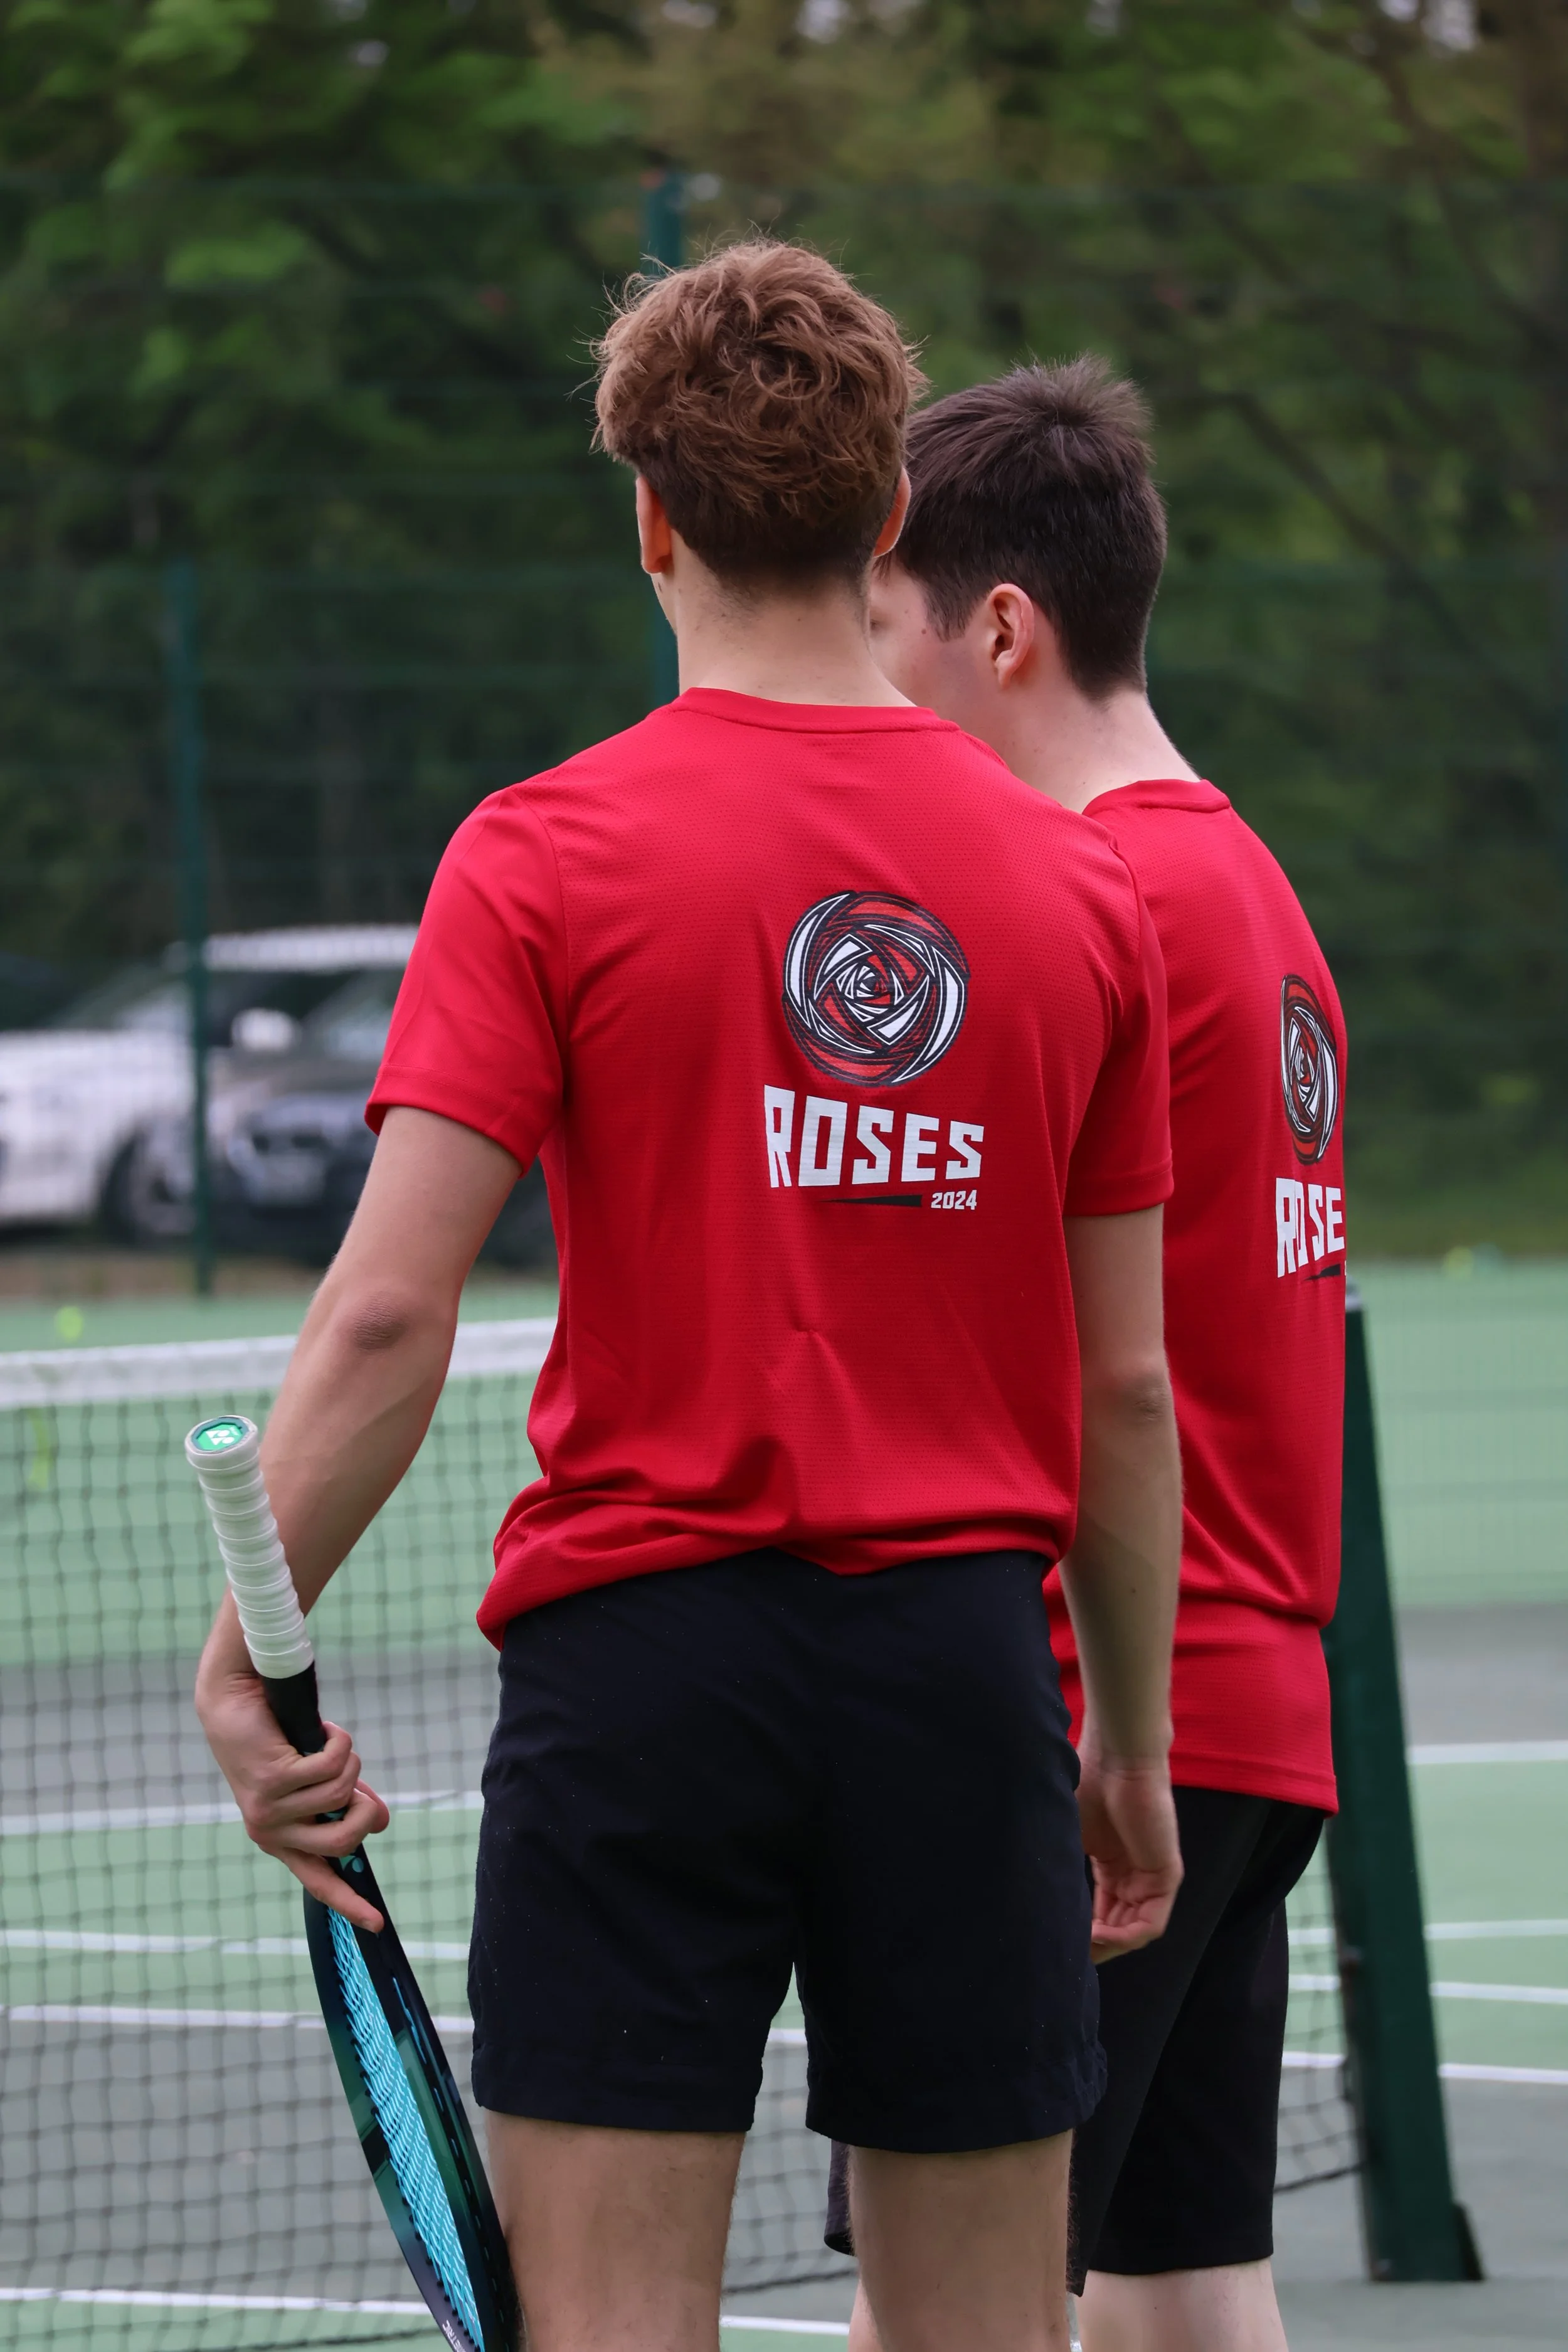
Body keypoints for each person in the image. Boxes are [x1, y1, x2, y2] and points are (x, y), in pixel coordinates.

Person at [194, 252, 1185, 2352]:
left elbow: (383, 1319)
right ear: (889, 514)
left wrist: (240, 1648)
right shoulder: (1082, 884)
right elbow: (1123, 1385)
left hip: (640, 1675)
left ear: (649, 519)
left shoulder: (539, 850)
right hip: (957, 1677)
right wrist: (1131, 1738)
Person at [835, 357, 1347, 2352]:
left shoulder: (1091, 896)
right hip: (1248, 1711)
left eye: (881, 629)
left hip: (1090, 1712)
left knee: (946, 2307)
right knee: (1182, 2290)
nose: (867, 680)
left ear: (998, 629)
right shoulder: (1252, 885)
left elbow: (1029, 1342)